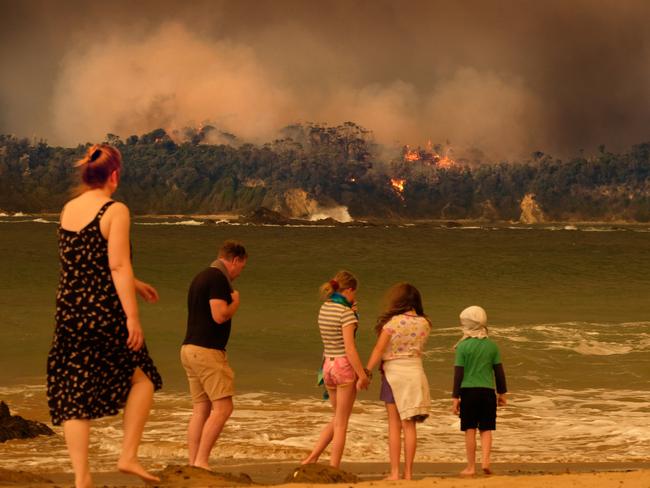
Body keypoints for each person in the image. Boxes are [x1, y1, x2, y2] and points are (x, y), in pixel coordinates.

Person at [46, 144, 163, 488]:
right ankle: (128, 455)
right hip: (104, 311)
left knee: (74, 393)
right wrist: (132, 317)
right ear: (114, 175)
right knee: (142, 378)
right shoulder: (115, 210)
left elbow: (83, 261)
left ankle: (82, 478)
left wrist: (135, 283)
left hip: (69, 310)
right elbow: (116, 264)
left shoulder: (68, 209)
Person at [180, 240, 247, 470]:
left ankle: (193, 462)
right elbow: (219, 315)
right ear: (235, 260)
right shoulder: (218, 278)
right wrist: (235, 303)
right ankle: (201, 461)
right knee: (224, 408)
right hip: (207, 350)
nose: (239, 273)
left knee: (201, 409)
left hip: (189, 349)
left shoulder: (201, 276)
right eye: (241, 267)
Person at [302, 271, 370, 468]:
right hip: (343, 366)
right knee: (341, 423)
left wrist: (352, 311)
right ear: (348, 290)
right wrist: (362, 375)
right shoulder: (346, 313)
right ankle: (334, 467)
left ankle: (312, 457)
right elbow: (350, 348)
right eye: (354, 293)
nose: (355, 297)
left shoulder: (325, 308)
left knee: (337, 417)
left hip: (327, 367)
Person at [365, 283, 431, 480]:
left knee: (394, 425)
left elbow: (379, 349)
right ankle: (409, 474)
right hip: (415, 373)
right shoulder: (425, 323)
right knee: (409, 425)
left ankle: (394, 473)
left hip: (394, 374)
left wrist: (367, 370)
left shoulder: (393, 323)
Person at [451, 305, 507, 476]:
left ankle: (470, 467)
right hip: (487, 392)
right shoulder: (492, 346)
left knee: (469, 429)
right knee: (486, 429)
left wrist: (455, 397)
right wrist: (502, 393)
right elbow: (499, 372)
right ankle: (486, 461)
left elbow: (458, 374)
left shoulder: (462, 347)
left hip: (468, 392)